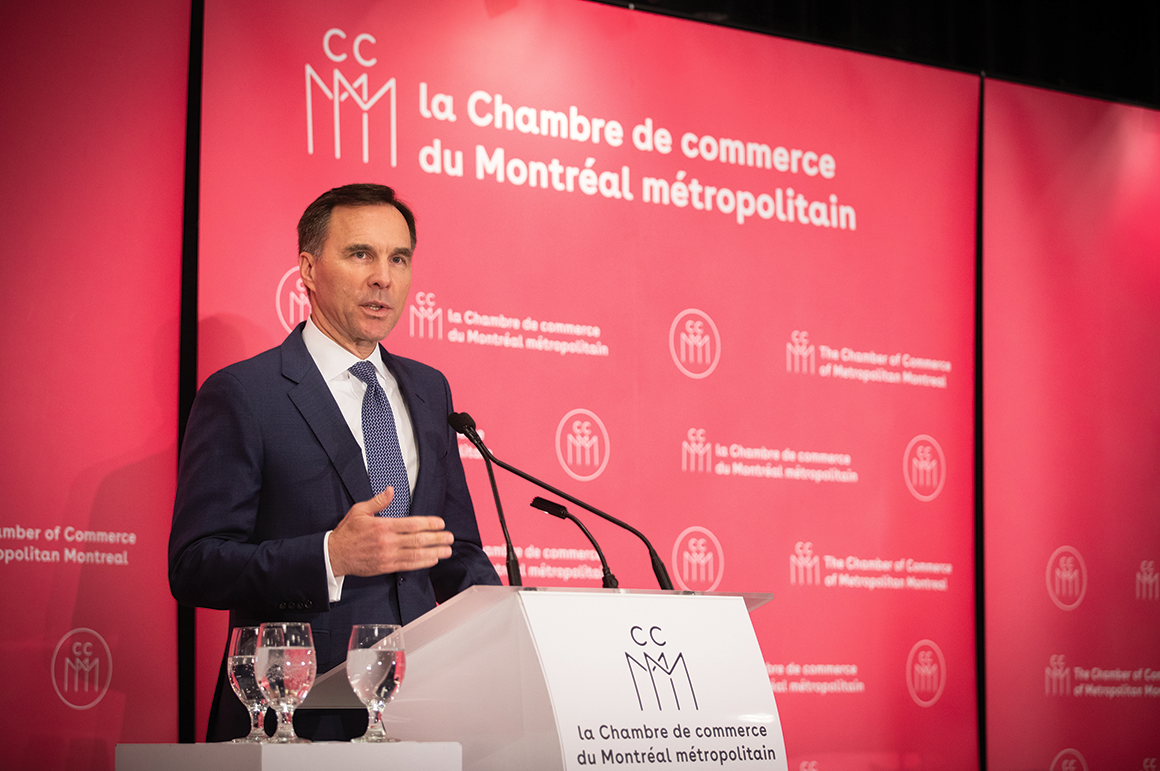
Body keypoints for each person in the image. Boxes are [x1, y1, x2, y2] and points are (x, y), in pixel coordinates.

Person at [169, 183, 500, 742]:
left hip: (422, 709)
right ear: (308, 269)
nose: (383, 278)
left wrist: (510, 619)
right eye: (360, 254)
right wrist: (330, 556)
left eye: (399, 258)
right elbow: (195, 565)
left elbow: (453, 549)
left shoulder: (429, 390)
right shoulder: (245, 393)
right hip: (297, 715)